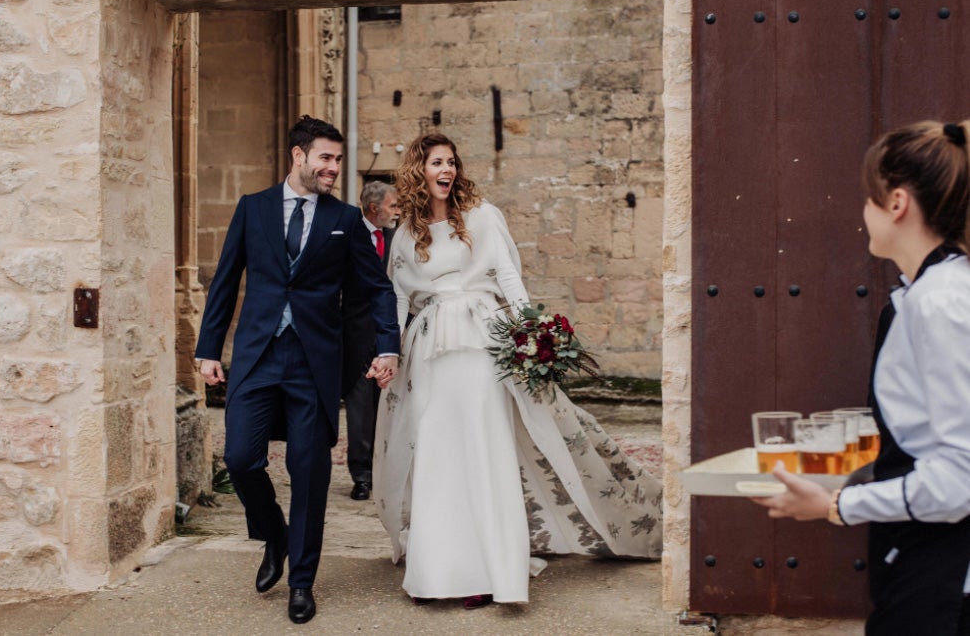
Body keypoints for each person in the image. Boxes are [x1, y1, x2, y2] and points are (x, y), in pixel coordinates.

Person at [373, 133, 663, 609]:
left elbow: (508, 277)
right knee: (437, 455)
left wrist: (531, 333)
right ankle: (438, 572)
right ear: (418, 172)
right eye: (436, 163)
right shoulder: (407, 232)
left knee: (485, 449)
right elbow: (398, 297)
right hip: (430, 351)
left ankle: (493, 571)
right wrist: (389, 352)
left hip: (482, 342)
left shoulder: (482, 216)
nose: (445, 169)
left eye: (451, 162)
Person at [753, 120, 970, 635]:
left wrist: (834, 505)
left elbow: (959, 480)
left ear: (897, 203)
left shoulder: (940, 302)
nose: (863, 213)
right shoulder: (933, 293)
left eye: (868, 199)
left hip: (943, 576)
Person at [194, 116, 399, 625]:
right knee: (241, 458)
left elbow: (377, 289)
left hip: (314, 363)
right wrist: (207, 348)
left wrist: (388, 346)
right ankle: (276, 535)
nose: (333, 168)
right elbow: (225, 282)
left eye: (337, 160)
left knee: (309, 473)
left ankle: (302, 582)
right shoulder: (253, 209)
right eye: (325, 158)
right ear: (298, 156)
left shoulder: (346, 219)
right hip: (258, 356)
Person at [341, 180, 400, 501]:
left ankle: (388, 473)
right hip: (355, 337)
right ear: (374, 208)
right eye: (393, 206)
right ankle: (362, 477)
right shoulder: (347, 236)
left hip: (392, 336)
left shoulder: (399, 239)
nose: (398, 211)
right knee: (360, 411)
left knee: (391, 409)